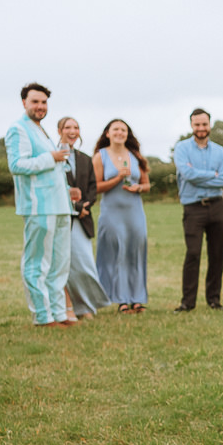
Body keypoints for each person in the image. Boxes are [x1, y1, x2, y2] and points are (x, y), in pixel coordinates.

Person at [5, 83, 74, 328]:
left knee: (59, 262)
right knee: (37, 262)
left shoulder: (41, 130)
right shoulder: (18, 129)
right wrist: (51, 158)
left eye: (43, 102)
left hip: (60, 205)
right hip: (38, 206)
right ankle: (42, 317)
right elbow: (17, 165)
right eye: (35, 101)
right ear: (24, 102)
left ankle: (59, 313)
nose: (40, 106)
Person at [172, 108, 223, 311]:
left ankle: (214, 299)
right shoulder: (181, 148)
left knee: (217, 254)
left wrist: (202, 175)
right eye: (197, 124)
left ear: (210, 125)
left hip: (217, 206)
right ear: (191, 125)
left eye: (204, 124)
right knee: (193, 253)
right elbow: (187, 174)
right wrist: (212, 175)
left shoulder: (220, 152)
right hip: (193, 207)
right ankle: (187, 302)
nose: (201, 128)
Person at [93, 119, 151, 313]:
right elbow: (95, 187)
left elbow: (146, 184)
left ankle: (137, 299)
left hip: (134, 211)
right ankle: (121, 300)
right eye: (115, 129)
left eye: (123, 130)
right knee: (117, 253)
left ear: (128, 134)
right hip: (112, 212)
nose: (120, 132)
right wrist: (117, 178)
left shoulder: (135, 156)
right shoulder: (100, 157)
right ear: (107, 133)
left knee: (136, 252)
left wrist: (139, 187)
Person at [56, 117, 109, 320]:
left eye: (76, 127)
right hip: (62, 217)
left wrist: (85, 206)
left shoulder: (85, 159)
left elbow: (92, 188)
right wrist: (76, 207)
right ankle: (73, 308)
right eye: (68, 127)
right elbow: (58, 187)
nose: (72, 131)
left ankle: (87, 306)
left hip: (83, 220)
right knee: (66, 266)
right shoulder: (54, 156)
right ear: (59, 130)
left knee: (85, 265)